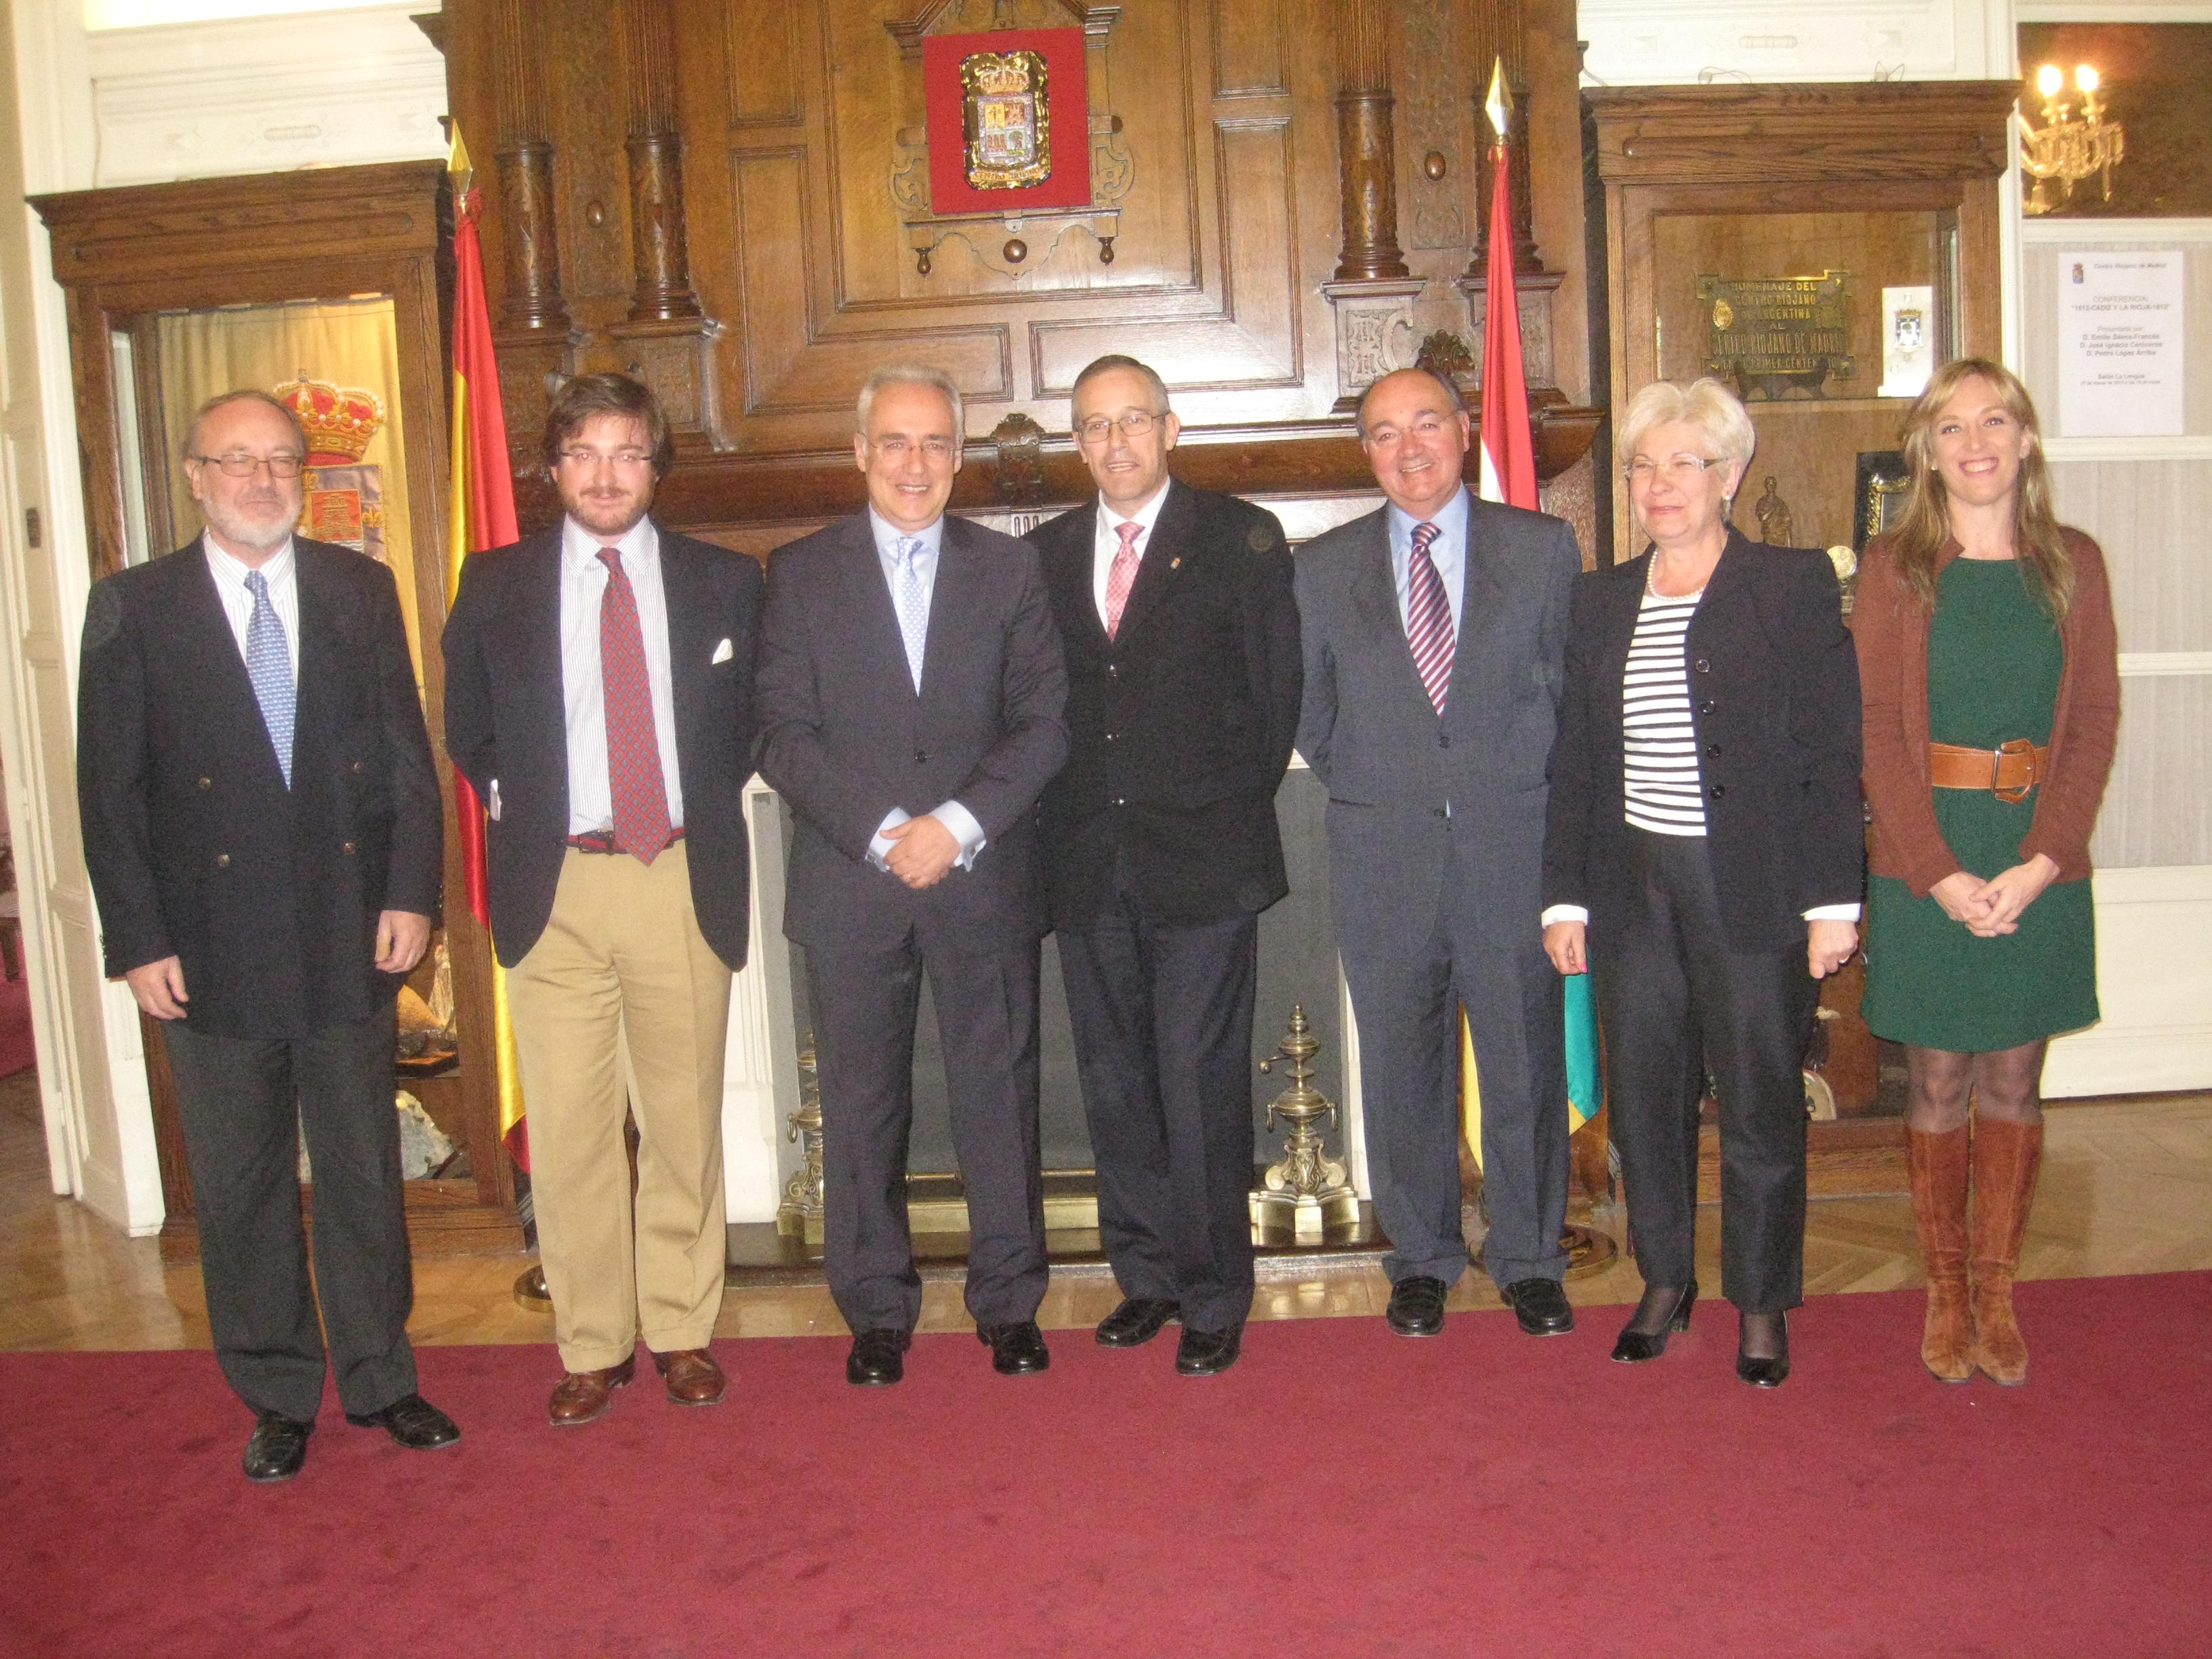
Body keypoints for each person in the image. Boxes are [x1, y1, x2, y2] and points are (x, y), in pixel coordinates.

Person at [77, 388, 456, 1481]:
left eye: (280, 459)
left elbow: (405, 759)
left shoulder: (358, 589)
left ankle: (381, 1377)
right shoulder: (135, 606)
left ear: (305, 475)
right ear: (195, 477)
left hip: (348, 931)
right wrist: (137, 940)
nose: (261, 479)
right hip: (206, 947)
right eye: (236, 460)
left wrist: (411, 895)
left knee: (362, 1171)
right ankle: (278, 1392)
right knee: (240, 1186)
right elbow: (110, 794)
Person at [442, 373, 763, 1426]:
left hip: (679, 877)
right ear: (553, 468)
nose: (606, 474)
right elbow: (469, 724)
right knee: (572, 1131)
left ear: (656, 466)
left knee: (681, 1124)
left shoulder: (726, 582)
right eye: (584, 453)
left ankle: (680, 1328)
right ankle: (591, 1343)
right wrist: (530, 806)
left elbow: (750, 724)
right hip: (556, 885)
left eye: (628, 452)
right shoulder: (494, 583)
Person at [1542, 377, 1862, 1389]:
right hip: (1632, 887)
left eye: (1684, 463)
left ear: (1729, 475)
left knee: (1761, 1101)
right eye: (1644, 466)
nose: (1660, 483)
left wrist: (1832, 903)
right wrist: (1565, 897)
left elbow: (1829, 751)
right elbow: (1576, 760)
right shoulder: (1599, 601)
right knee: (1647, 1099)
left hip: (1753, 887)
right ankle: (1666, 1279)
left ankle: (1760, 1301)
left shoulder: (1790, 584)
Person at [756, 363, 1068, 1387]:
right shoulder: (800, 573)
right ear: (860, 453)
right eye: (895, 441)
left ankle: (1009, 1304)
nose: (916, 463)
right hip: (853, 882)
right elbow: (781, 734)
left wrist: (956, 826)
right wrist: (889, 832)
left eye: (936, 442)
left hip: (983, 875)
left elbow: (1043, 723)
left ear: (959, 457)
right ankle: (877, 1313)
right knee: (861, 1109)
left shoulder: (1010, 570)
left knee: (1000, 1098)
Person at [1025, 355, 1300, 1377]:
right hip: (1086, 865)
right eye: (1095, 426)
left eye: (1133, 420)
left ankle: (1216, 1293)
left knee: (1199, 1083)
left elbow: (1273, 703)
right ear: (1077, 442)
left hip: (1204, 866)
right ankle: (1146, 1278)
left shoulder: (1239, 537)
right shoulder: (1044, 554)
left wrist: (1212, 813)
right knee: (1116, 1083)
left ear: (1171, 429)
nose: (1116, 442)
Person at [1294, 366, 1580, 1340]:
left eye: (1426, 424)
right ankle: (1421, 1256)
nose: (1409, 447)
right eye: (1384, 433)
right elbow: (1312, 714)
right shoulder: (1321, 568)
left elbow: (1567, 699)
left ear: (1464, 431)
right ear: (1366, 453)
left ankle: (1529, 1257)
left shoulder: (1540, 550)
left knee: (1523, 1062)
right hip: (1383, 854)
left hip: (1513, 849)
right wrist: (1389, 782)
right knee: (1400, 1065)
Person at [1855, 358, 2118, 1387]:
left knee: (2014, 1076)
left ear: (2027, 439)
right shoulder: (1895, 568)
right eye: (1952, 426)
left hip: (2038, 852)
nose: (1976, 442)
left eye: (1995, 421)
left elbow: (2093, 723)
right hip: (1928, 856)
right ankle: (1946, 1290)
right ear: (1928, 451)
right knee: (1935, 1080)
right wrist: (1939, 875)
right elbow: (1878, 734)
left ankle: (1999, 1292)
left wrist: (2043, 861)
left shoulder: (2074, 565)